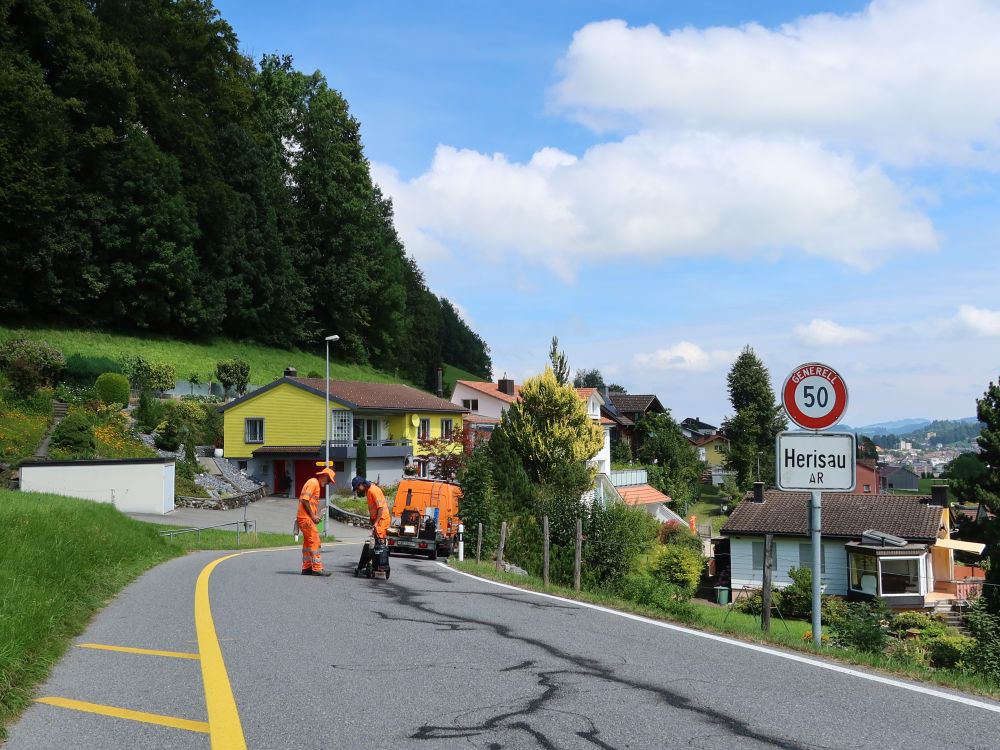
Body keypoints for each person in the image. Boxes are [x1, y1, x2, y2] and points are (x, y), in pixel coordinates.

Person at [298, 467, 336, 576]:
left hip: (305, 518)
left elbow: (307, 502)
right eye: (329, 480)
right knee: (315, 541)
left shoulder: (314, 484)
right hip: (306, 518)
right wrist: (313, 516)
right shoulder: (313, 482)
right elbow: (305, 500)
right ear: (325, 476)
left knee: (308, 543)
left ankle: (307, 567)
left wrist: (314, 516)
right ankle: (317, 568)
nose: (328, 483)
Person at [353, 475, 390, 573]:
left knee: (380, 544)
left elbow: (380, 508)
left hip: (382, 520)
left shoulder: (373, 491)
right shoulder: (368, 491)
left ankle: (380, 566)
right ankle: (375, 565)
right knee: (375, 543)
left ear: (361, 484)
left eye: (357, 487)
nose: (357, 490)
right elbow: (373, 508)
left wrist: (376, 521)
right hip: (378, 520)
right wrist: (371, 519)